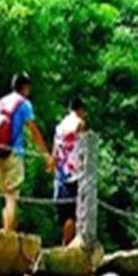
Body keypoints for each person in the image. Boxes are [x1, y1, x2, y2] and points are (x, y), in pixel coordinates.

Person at [0, 73, 55, 232]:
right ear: (26, 87)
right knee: (12, 197)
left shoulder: (1, 102)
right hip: (14, 152)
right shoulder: (24, 104)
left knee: (6, 196)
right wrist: (46, 155)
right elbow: (34, 131)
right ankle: (8, 236)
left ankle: (5, 232)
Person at [52, 96, 87, 245]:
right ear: (80, 110)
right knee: (73, 214)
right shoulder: (79, 123)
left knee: (64, 213)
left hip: (60, 173)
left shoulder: (60, 126)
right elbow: (84, 145)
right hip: (74, 173)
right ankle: (68, 247)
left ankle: (65, 244)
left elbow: (55, 150)